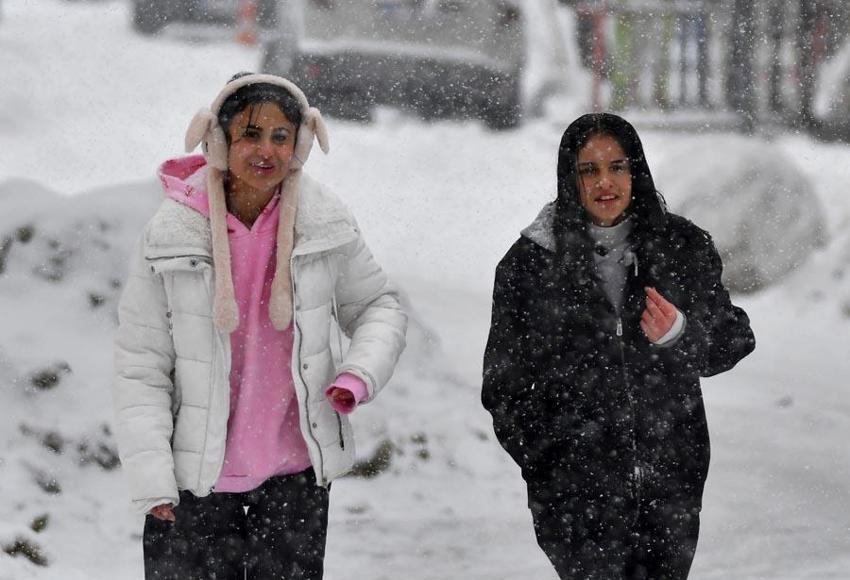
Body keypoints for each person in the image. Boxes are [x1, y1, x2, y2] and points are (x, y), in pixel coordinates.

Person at [112, 72, 407, 580]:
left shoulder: (324, 222)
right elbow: (141, 363)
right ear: (220, 138)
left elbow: (379, 304)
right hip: (194, 482)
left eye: (280, 135)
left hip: (294, 476)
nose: (265, 149)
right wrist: (152, 477)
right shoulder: (172, 233)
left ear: (301, 142)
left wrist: (357, 374)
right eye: (250, 133)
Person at [482, 113, 755, 580]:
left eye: (617, 166)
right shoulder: (529, 266)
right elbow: (504, 387)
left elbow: (733, 339)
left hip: (671, 485)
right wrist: (551, 463)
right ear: (570, 179)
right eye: (588, 170)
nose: (605, 182)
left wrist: (679, 335)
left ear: (637, 171)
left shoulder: (680, 247)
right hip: (574, 499)